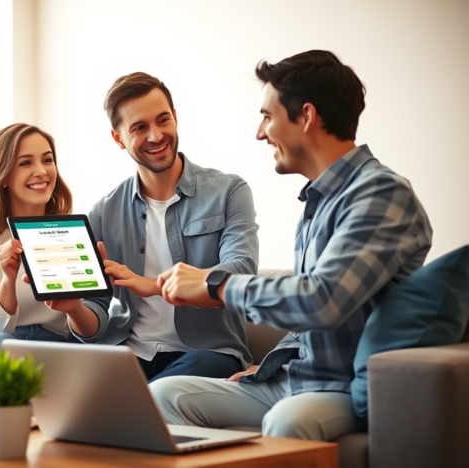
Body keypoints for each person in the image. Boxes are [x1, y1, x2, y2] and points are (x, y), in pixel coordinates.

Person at [152, 50, 433, 441]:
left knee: (287, 421)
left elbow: (323, 300)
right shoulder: (316, 203)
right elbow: (304, 318)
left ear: (306, 116)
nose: (260, 132)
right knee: (164, 395)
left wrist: (216, 284)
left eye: (268, 116)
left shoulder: (381, 194)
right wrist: (269, 363)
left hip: (341, 387)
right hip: (291, 379)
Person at [61, 72, 259, 383]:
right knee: (64, 387)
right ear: (118, 137)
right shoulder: (103, 212)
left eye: (163, 120)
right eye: (140, 127)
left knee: (163, 390)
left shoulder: (229, 191)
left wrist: (154, 285)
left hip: (210, 354)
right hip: (129, 353)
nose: (156, 136)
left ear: (175, 118)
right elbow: (95, 316)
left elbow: (240, 273)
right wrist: (74, 308)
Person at [0, 123, 98, 403]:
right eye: (25, 163)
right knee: (3, 347)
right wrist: (7, 281)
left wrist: (78, 304)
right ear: (4, 175)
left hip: (53, 347)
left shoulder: (71, 231)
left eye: (48, 159)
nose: (41, 171)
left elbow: (88, 330)